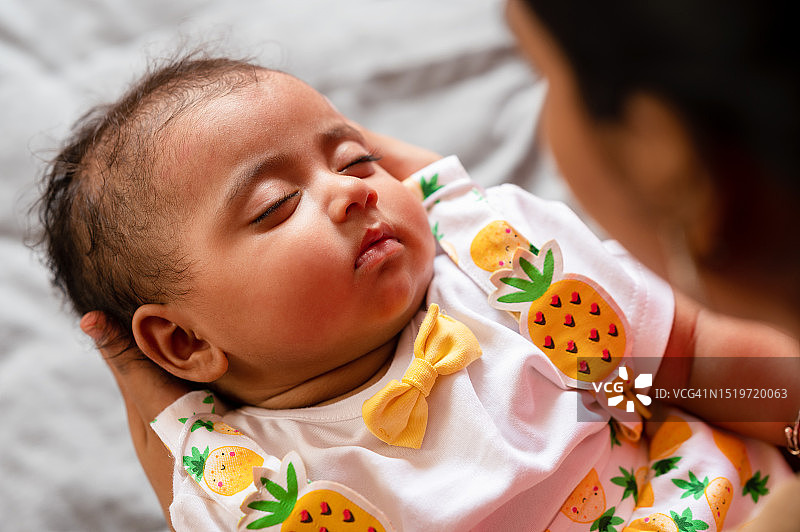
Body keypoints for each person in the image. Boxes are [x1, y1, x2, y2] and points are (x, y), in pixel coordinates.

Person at [40, 56, 797, 530]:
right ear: (185, 342)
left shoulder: (503, 274)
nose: (348, 193)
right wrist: (173, 443)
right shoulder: (246, 477)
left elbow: (695, 364)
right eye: (274, 205)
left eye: (358, 159)